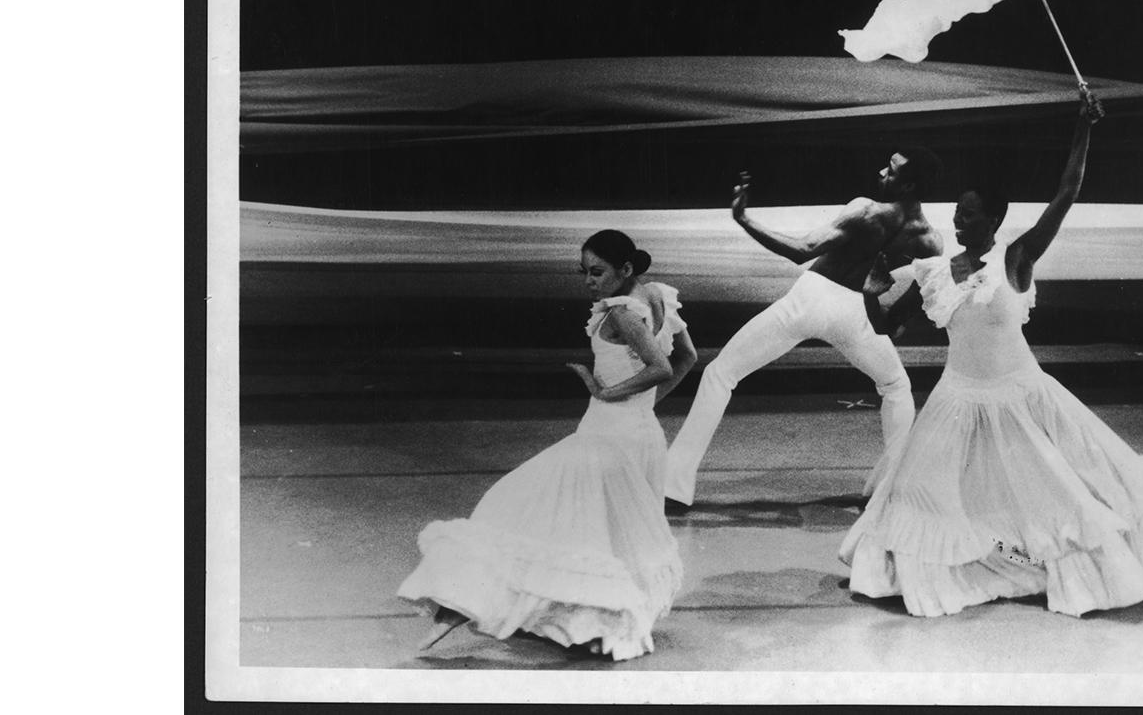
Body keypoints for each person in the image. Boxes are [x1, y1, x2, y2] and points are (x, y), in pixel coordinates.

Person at [840, 89, 1143, 618]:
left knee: (1094, 474)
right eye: (956, 214)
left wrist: (1083, 128)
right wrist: (869, 290)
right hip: (958, 401)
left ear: (993, 222)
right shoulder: (933, 272)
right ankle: (1003, 562)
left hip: (1023, 393)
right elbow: (887, 327)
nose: (958, 224)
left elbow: (1067, 192)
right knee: (925, 495)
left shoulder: (1016, 258)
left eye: (969, 217)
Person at [398, 230, 698, 660]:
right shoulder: (658, 296)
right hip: (642, 438)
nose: (588, 282)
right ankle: (588, 622)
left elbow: (661, 365)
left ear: (625, 269)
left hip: (608, 441)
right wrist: (643, 405)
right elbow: (687, 358)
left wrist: (606, 392)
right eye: (584, 273)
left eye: (597, 272)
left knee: (515, 505)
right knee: (602, 537)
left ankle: (459, 606)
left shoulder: (621, 314)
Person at [663, 149, 948, 508]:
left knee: (721, 373)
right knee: (896, 386)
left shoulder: (866, 210)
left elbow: (801, 249)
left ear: (907, 184)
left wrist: (743, 219)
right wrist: (889, 315)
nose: (880, 172)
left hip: (809, 300)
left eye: (889, 171)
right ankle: (889, 489)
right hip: (856, 313)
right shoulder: (931, 241)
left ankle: (674, 488)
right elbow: (914, 303)